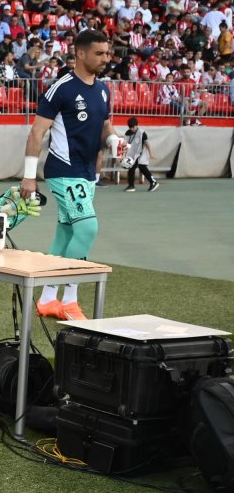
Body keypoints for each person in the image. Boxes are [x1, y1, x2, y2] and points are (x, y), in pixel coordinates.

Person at [20, 30, 121, 321]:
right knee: (87, 229)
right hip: (64, 170)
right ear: (80, 53)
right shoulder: (61, 88)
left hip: (87, 172)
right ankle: (69, 300)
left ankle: (48, 299)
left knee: (65, 233)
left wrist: (115, 141)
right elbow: (37, 132)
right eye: (99, 54)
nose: (106, 58)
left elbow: (106, 126)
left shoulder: (103, 88)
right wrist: (29, 177)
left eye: (107, 53)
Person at [122, 118, 160, 193]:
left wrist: (151, 153)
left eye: (133, 127)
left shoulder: (142, 133)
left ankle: (153, 182)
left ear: (136, 125)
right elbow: (125, 144)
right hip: (133, 154)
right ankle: (131, 185)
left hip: (141, 153)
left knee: (141, 167)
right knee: (132, 168)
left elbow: (147, 144)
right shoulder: (127, 133)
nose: (132, 129)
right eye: (130, 127)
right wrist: (123, 154)